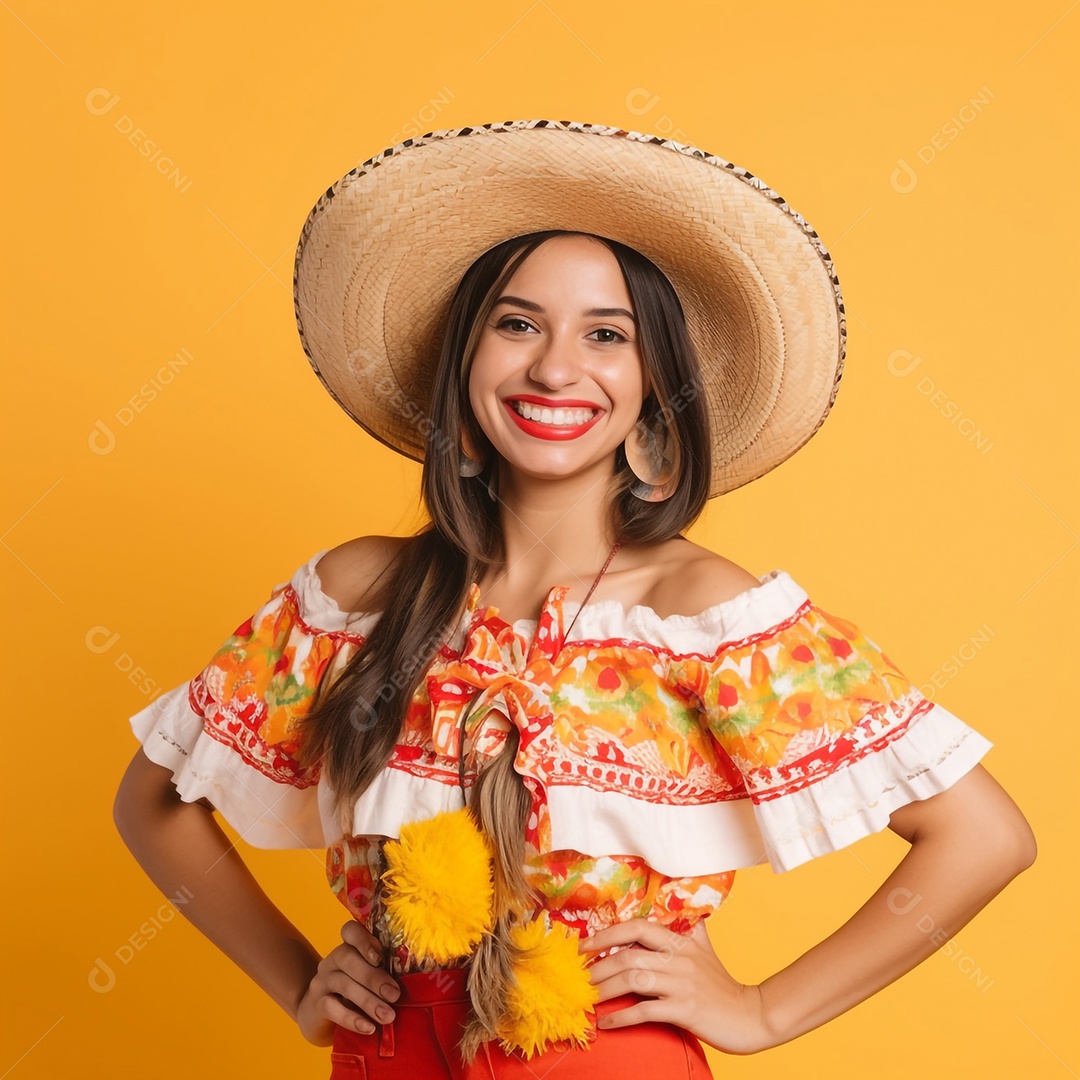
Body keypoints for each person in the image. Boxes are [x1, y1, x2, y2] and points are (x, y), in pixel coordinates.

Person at [113, 120, 1036, 1079]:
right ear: (464, 365)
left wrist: (763, 1010)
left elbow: (982, 837)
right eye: (517, 325)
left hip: (600, 1054)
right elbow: (154, 800)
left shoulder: (705, 617)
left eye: (607, 335)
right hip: (387, 1053)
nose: (555, 368)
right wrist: (301, 986)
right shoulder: (359, 595)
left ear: (653, 389)